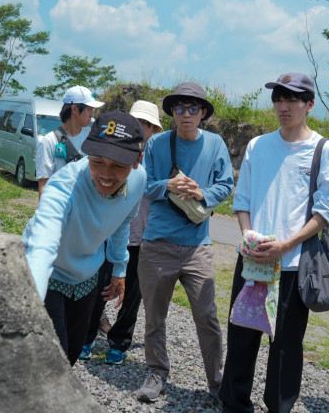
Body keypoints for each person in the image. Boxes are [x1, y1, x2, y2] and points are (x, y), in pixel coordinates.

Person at [219, 72, 329, 413]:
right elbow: (241, 200)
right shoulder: (258, 145)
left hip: (292, 265)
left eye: (292, 99)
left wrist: (287, 245)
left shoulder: (323, 149)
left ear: (310, 105)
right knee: (241, 337)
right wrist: (247, 235)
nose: (283, 106)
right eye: (278, 99)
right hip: (254, 261)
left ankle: (279, 406)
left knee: (285, 346)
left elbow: (328, 210)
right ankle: (233, 404)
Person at [22, 110, 146, 366]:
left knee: (72, 354)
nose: (106, 175)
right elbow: (42, 245)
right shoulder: (64, 186)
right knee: (50, 359)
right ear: (87, 152)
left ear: (137, 161)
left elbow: (124, 220)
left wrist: (119, 268)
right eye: (97, 161)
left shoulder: (139, 179)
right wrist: (30, 299)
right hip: (48, 275)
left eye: (119, 166)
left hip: (87, 277)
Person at [136, 82, 233, 403]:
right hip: (157, 243)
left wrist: (201, 192)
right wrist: (170, 185)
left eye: (193, 108)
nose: (186, 114)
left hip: (198, 247)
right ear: (172, 113)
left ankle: (217, 381)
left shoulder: (216, 144)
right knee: (154, 316)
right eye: (180, 108)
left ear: (203, 113)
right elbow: (145, 185)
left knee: (207, 317)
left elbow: (226, 185)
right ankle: (156, 372)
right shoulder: (157, 144)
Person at [103, 100, 163, 365]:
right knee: (98, 285)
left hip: (143, 234)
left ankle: (119, 342)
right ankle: (84, 335)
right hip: (109, 229)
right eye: (138, 121)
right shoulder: (112, 147)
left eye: (148, 124)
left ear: (153, 129)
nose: (142, 127)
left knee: (132, 294)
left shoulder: (159, 155)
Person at [35, 85, 103, 198]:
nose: (92, 115)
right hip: (61, 206)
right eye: (89, 110)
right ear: (74, 109)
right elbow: (44, 186)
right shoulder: (48, 142)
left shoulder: (92, 137)